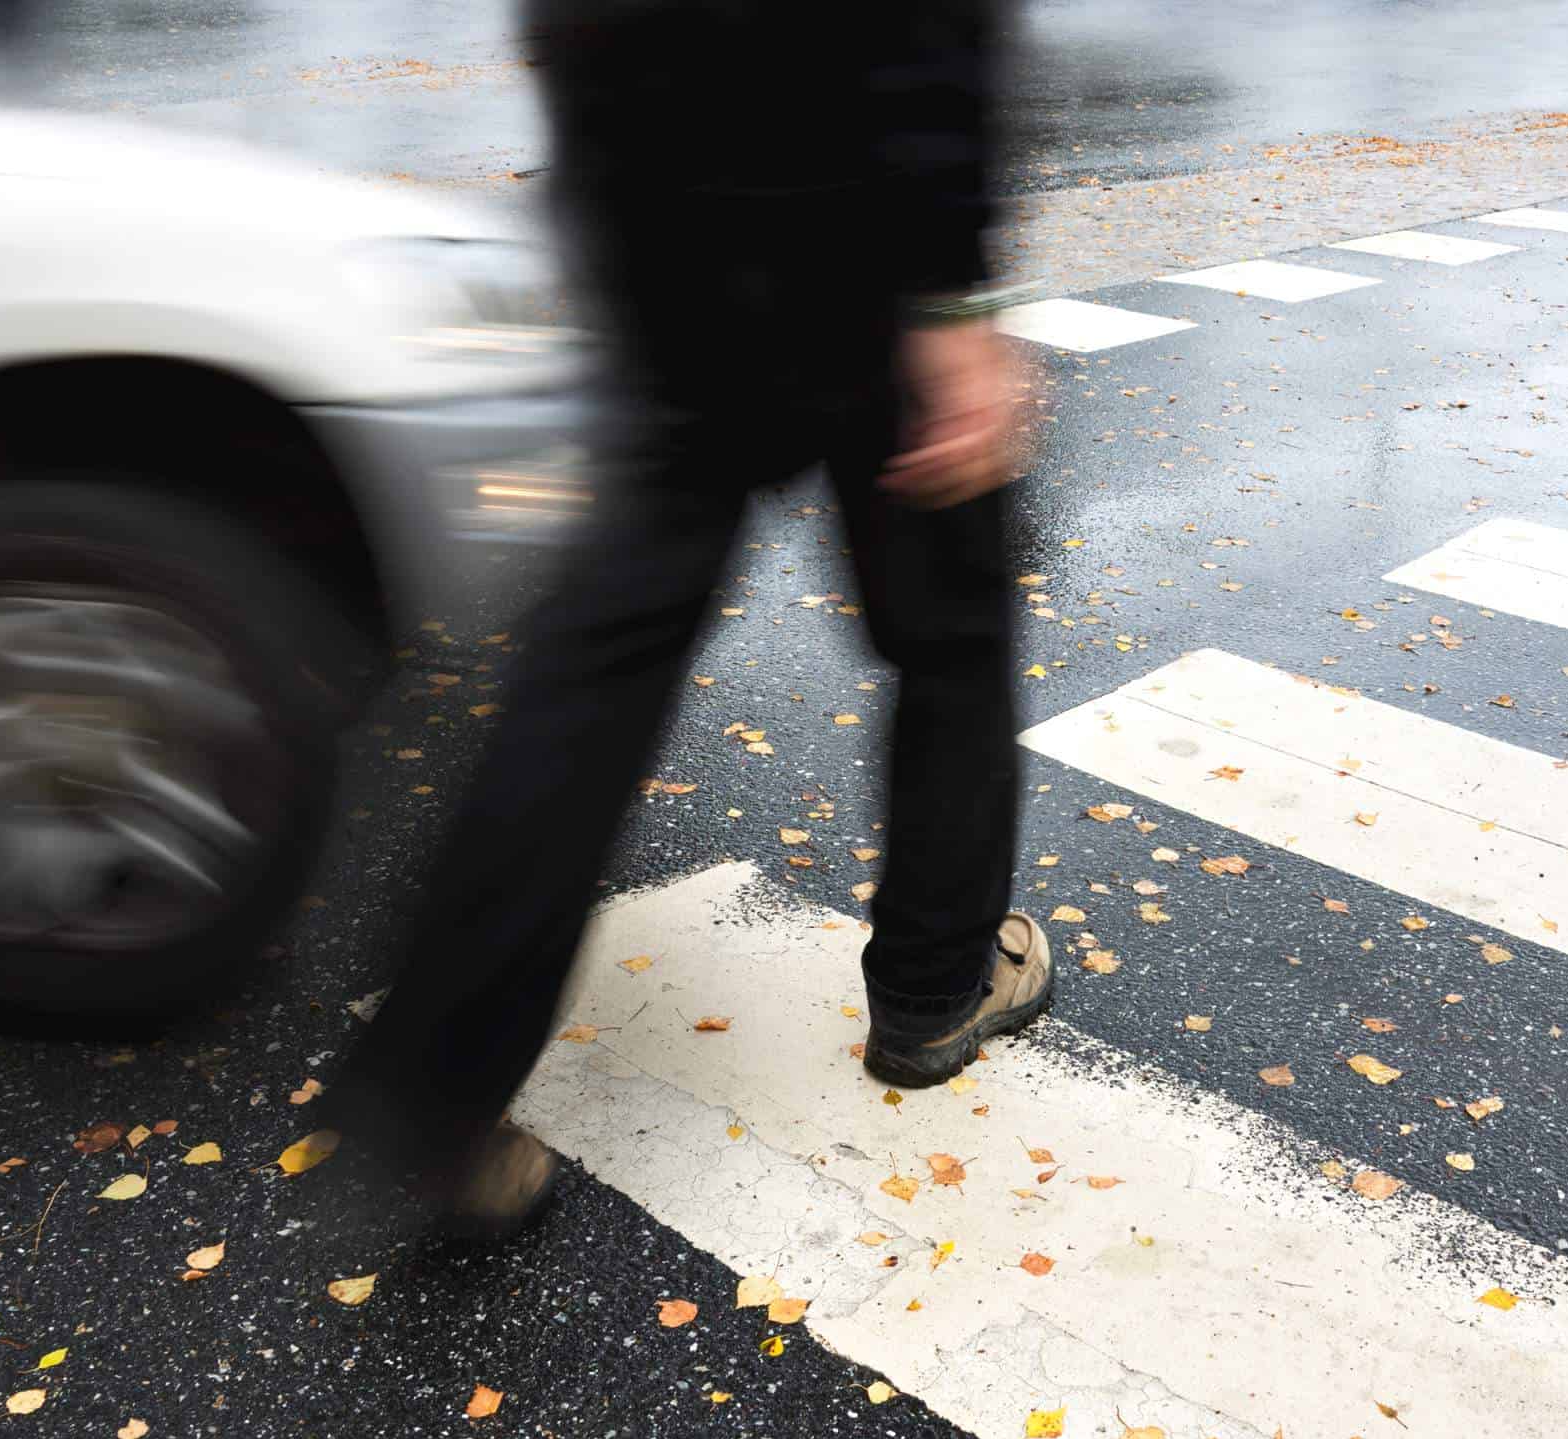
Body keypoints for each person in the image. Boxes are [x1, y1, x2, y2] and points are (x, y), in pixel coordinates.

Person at [335, 0, 1045, 1236]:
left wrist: (604, 203)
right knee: (952, 631)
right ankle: (935, 989)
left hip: (655, 215)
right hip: (852, 224)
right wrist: (948, 301)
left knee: (596, 666)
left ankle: (433, 1093)